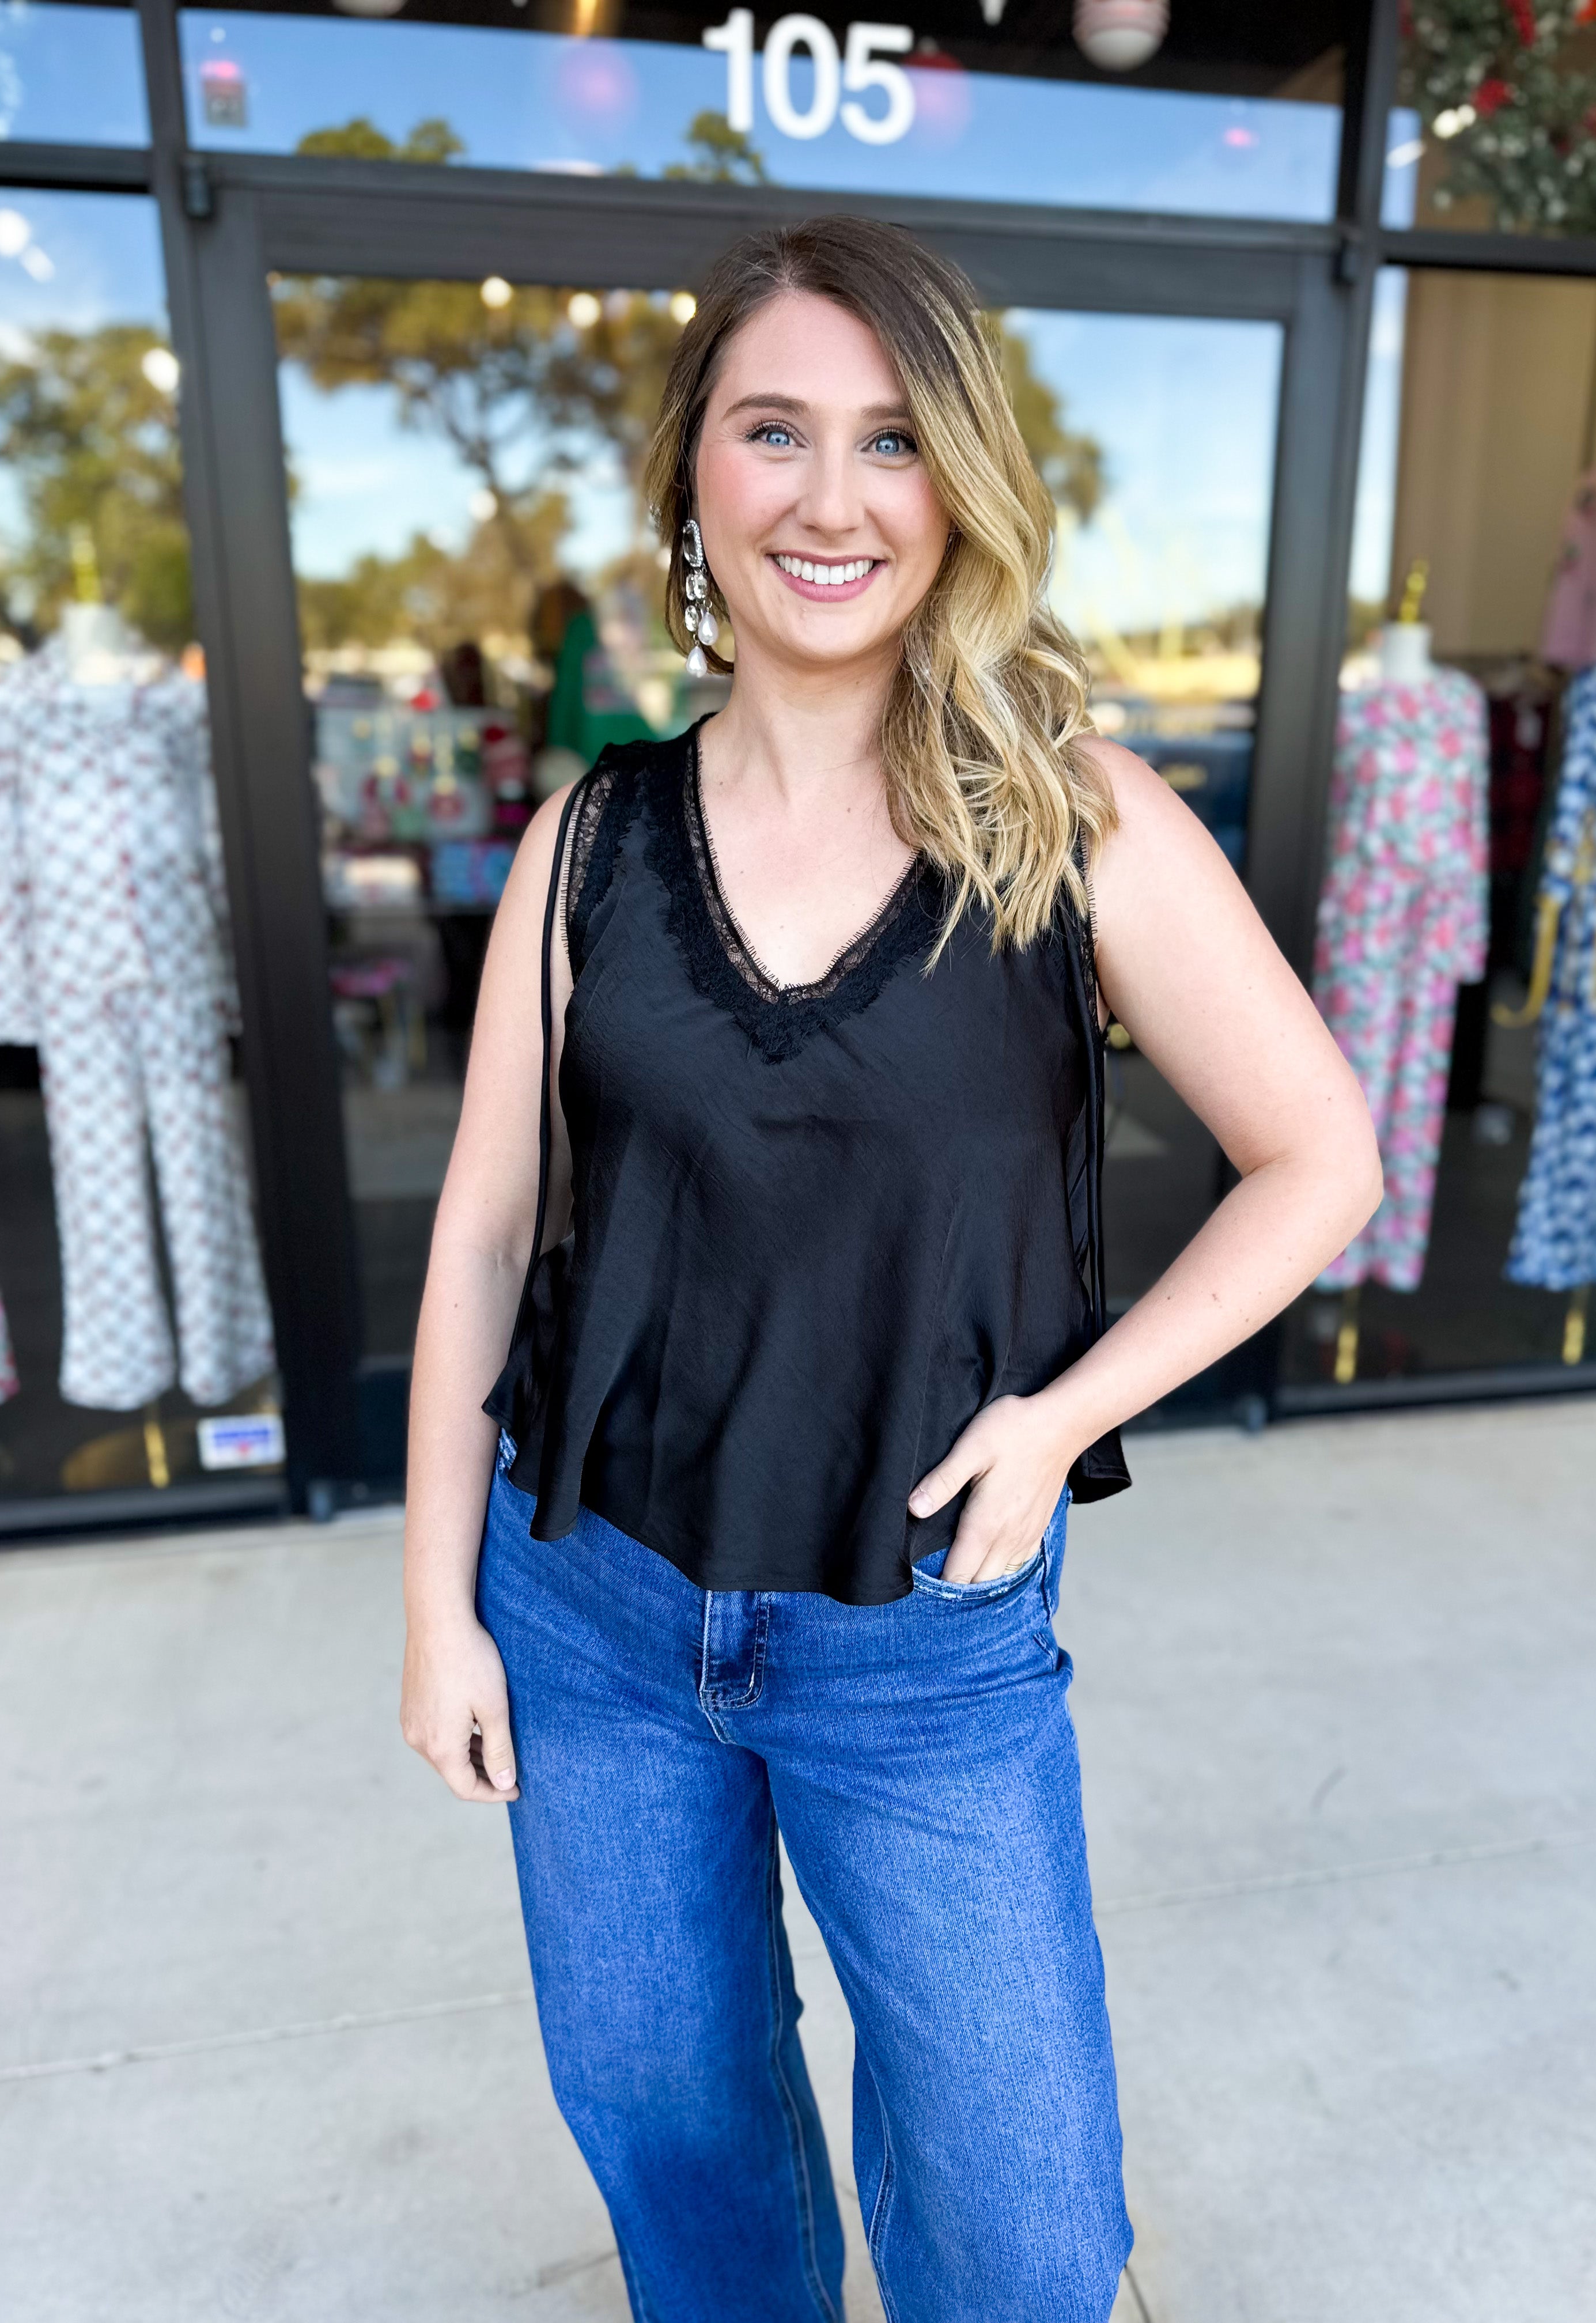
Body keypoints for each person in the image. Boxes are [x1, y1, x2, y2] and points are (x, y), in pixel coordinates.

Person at [400, 216, 1381, 2323]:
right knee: (673, 2137)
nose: (831, 499)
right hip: (592, 1609)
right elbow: (484, 1230)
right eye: (774, 432)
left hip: (923, 1634)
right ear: (696, 476)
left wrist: (1063, 1417)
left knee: (1023, 2230)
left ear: (960, 485)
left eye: (892, 439)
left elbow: (1321, 1159)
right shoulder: (586, 844)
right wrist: (434, 1609)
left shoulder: (1071, 825)